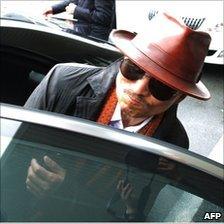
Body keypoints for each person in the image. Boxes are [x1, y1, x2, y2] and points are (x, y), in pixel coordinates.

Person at [25, 12, 211, 220]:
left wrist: (67, 191)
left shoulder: (174, 143)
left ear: (179, 98)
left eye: (161, 88)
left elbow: (134, 208)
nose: (139, 89)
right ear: (124, 59)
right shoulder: (63, 82)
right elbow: (12, 150)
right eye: (133, 69)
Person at [43, 0, 116, 40]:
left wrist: (76, 11)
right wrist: (54, 8)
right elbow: (77, 1)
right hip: (85, 35)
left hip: (94, 40)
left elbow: (104, 17)